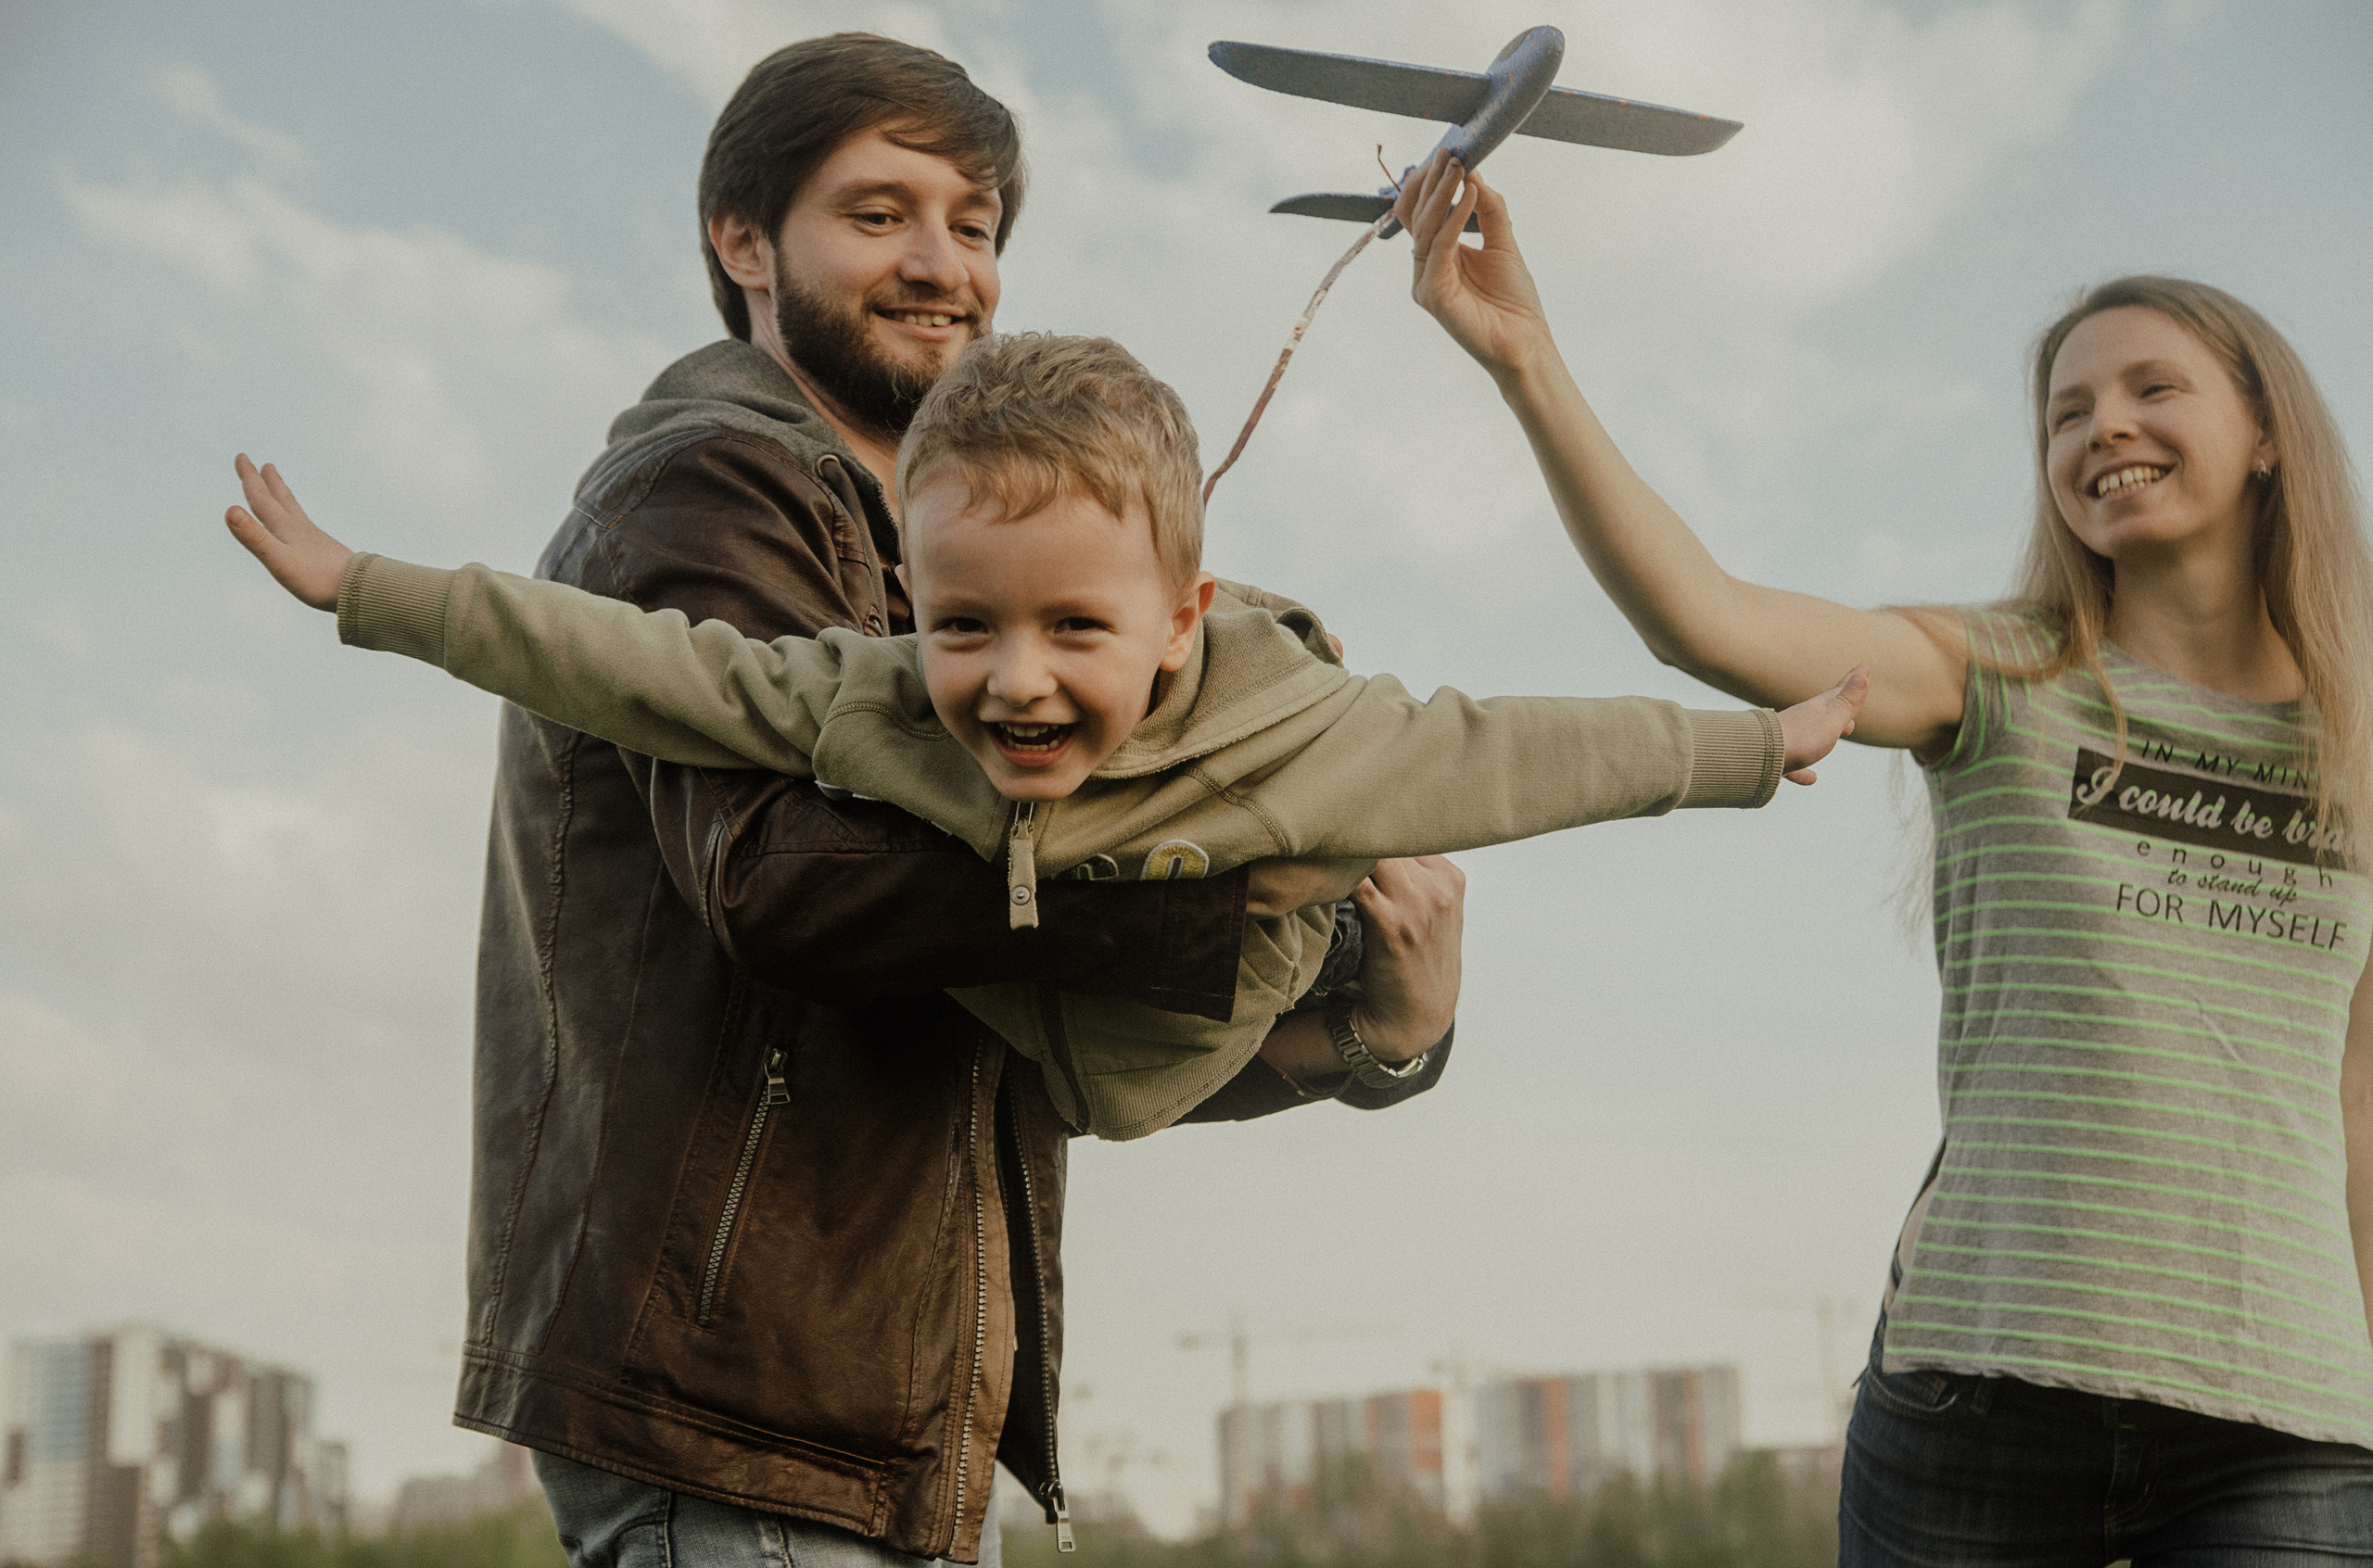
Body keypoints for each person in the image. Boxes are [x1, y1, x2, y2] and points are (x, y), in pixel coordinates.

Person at [346, 35, 1468, 1568]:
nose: (945, 262)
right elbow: (783, 881)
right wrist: (1222, 888)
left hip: (876, 1440)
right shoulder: (710, 490)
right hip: (741, 1416)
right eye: (880, 215)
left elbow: (1031, 1048)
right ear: (743, 242)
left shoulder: (927, 572)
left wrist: (1363, 1029)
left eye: (977, 222)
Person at [1392, 150, 2373, 1568]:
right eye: (2068, 412)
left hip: (2286, 1413)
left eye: (2154, 388)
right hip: (1983, 1381)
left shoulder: (2355, 746)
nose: (2107, 428)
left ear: (2268, 430)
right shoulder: (1994, 672)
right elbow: (1703, 616)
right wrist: (1524, 358)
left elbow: (2359, 1102)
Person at [222, 333, 1866, 1141]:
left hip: (1177, 1040)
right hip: (1022, 1030)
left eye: (1075, 629)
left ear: (1173, 615)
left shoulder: (1307, 739)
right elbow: (636, 662)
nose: (1014, 681)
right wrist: (368, 587)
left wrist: (1746, 747)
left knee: (1335, 861)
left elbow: (1528, 751)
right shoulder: (860, 697)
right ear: (907, 607)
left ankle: (1310, 937)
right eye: (964, 626)